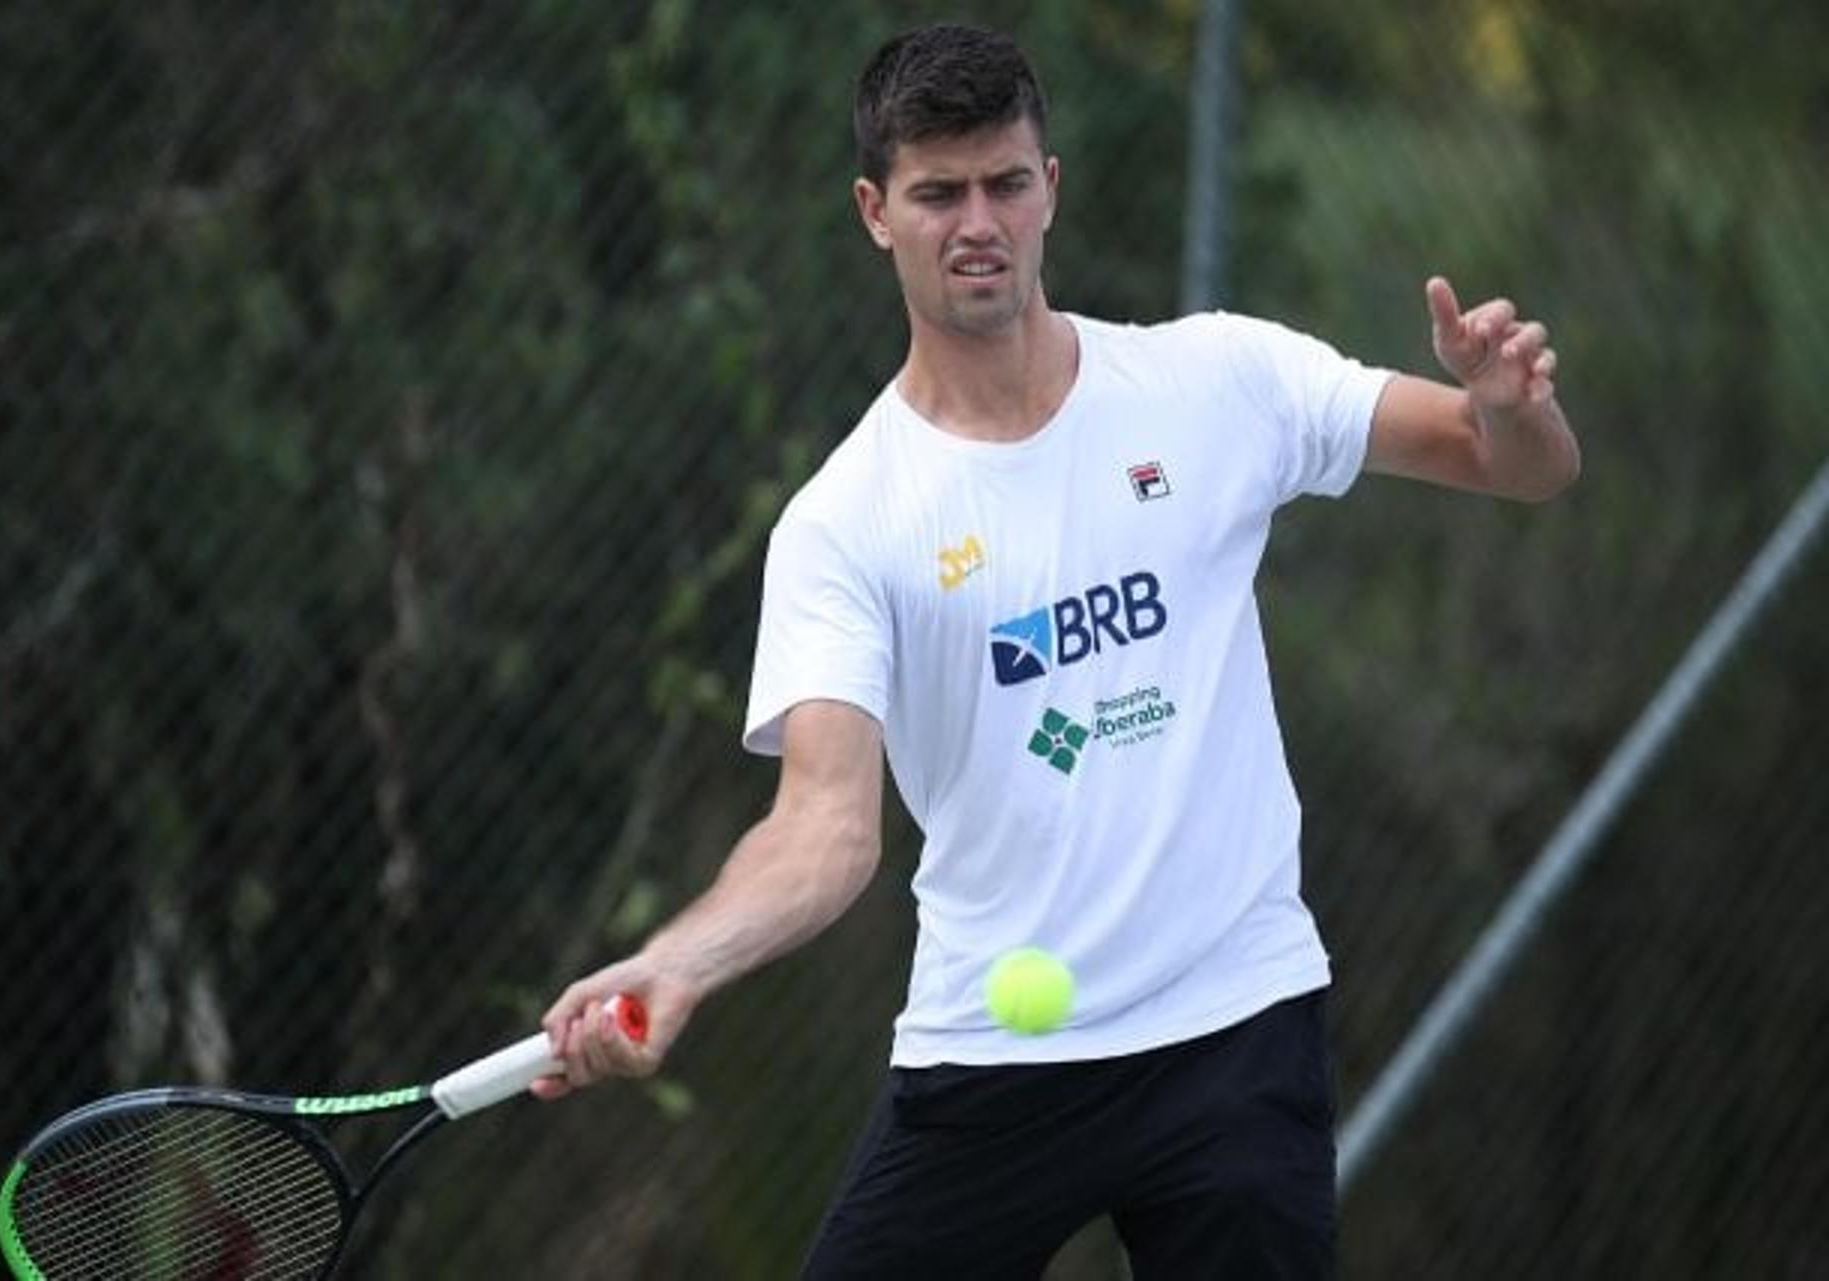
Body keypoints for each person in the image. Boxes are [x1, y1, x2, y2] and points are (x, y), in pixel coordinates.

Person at [532, 21, 1579, 1279]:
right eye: (938, 193)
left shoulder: (1217, 382)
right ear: (876, 211)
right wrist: (675, 963)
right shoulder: (846, 523)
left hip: (1234, 1031)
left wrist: (1514, 411)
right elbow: (825, 827)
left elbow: (1517, 470)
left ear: (1050, 190)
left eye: (1005, 183)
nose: (978, 221)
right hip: (994, 1061)